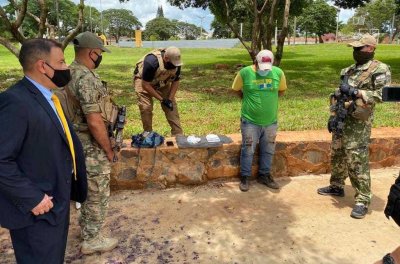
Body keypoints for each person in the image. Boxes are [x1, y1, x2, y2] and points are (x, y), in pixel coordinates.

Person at [0, 39, 87, 263]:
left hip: (55, 203)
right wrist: (33, 199)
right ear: (42, 66)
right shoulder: (16, 102)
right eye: (61, 61)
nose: (66, 67)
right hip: (36, 210)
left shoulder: (48, 97)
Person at [317, 33, 391, 219]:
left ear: (371, 49)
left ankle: (363, 199)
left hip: (359, 122)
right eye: (355, 48)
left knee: (356, 158)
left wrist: (358, 92)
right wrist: (333, 115)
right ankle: (336, 186)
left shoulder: (379, 69)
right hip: (342, 118)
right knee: (338, 152)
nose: (356, 51)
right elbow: (340, 95)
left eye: (359, 48)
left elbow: (384, 95)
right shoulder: (347, 70)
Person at [65, 31, 119, 254]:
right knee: (97, 192)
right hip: (89, 144)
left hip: (73, 141)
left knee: (86, 190)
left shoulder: (67, 72)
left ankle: (88, 229)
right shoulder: (86, 78)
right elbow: (95, 120)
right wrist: (107, 149)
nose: (100, 57)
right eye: (99, 53)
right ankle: (93, 239)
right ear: (91, 53)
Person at [231, 49, 287, 192]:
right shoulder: (244, 73)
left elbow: (281, 90)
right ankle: (245, 177)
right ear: (256, 61)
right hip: (250, 121)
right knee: (248, 149)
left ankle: (264, 175)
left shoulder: (278, 73)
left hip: (271, 121)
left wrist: (268, 101)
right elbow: (235, 89)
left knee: (268, 150)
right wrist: (246, 98)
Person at [133, 46, 184, 136]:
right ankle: (148, 133)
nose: (175, 66)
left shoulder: (176, 63)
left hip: (162, 81)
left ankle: (178, 134)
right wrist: (162, 99)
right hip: (143, 81)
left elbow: (176, 81)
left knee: (171, 107)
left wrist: (169, 99)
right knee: (146, 108)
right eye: (172, 63)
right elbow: (145, 85)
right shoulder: (151, 61)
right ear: (166, 58)